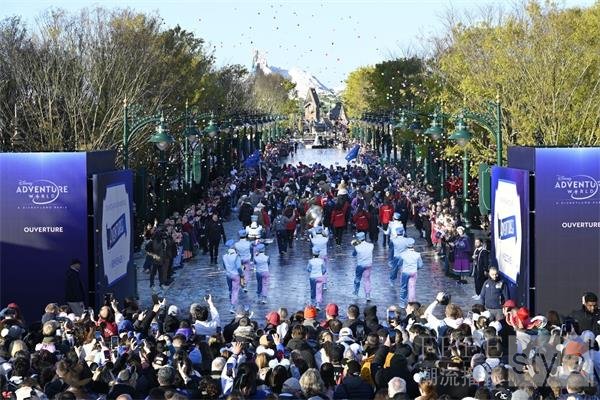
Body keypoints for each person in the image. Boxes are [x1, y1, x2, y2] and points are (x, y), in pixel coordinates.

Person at [396, 238, 423, 308]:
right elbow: (420, 265)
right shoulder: (417, 254)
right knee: (412, 287)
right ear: (413, 245)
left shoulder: (402, 254)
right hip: (413, 272)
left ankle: (402, 303)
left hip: (405, 272)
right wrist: (416, 268)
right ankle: (411, 301)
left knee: (403, 287)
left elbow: (399, 263)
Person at [352, 232, 374, 301]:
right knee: (367, 280)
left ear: (358, 239)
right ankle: (368, 295)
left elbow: (353, 254)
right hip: (368, 265)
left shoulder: (357, 247)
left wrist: (354, 246)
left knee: (357, 279)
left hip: (360, 265)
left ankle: (356, 293)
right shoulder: (371, 245)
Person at [222, 240, 243, 314]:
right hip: (236, 275)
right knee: (235, 291)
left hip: (228, 275)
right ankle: (232, 306)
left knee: (230, 290)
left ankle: (231, 301)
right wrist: (242, 274)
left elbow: (224, 266)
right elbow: (239, 268)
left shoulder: (224, 256)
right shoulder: (236, 256)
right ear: (233, 246)